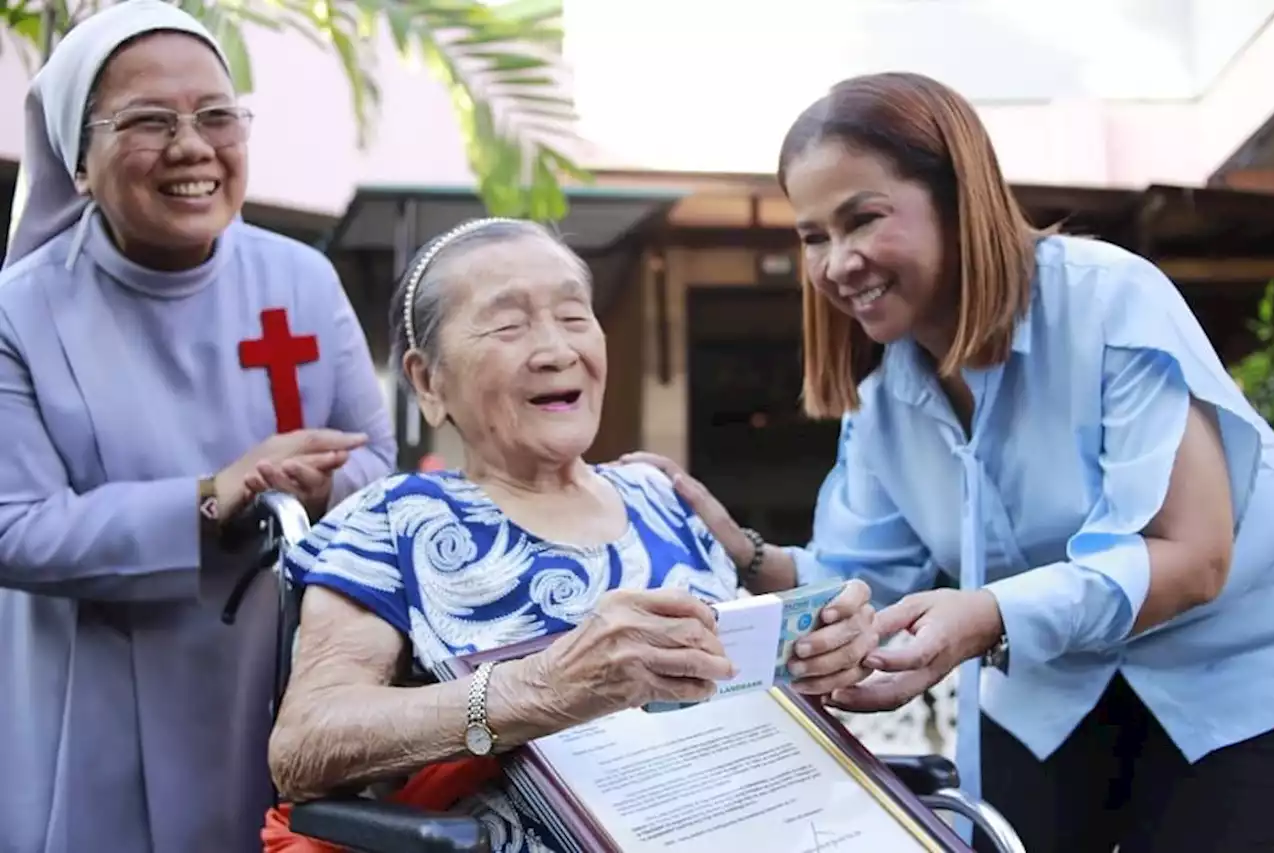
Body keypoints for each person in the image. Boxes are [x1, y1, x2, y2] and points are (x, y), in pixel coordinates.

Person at [625, 71, 1274, 853]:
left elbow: (1192, 555)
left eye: (862, 219)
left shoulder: (1112, 301)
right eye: (812, 237)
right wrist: (742, 550)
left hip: (1232, 689)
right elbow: (859, 579)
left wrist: (987, 616)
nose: (838, 263)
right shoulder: (885, 405)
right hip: (1045, 697)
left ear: (955, 196)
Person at [262, 217, 880, 853]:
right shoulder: (394, 519)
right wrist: (546, 688)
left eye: (575, 316)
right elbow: (307, 741)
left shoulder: (661, 497)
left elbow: (737, 694)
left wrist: (817, 658)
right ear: (427, 380)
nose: (557, 350)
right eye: (508, 325)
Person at [0, 3, 395, 851]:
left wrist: (324, 485)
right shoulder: (21, 313)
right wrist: (212, 497)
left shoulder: (302, 279)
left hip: (279, 681)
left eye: (217, 115)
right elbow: (15, 529)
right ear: (77, 161)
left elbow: (384, 472)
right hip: (96, 690)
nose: (192, 146)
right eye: (149, 121)